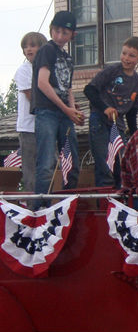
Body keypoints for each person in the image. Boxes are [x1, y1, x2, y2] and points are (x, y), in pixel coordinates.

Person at [31, 11, 83, 209]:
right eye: (57, 31)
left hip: (63, 114)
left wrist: (72, 110)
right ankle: (39, 210)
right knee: (46, 163)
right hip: (47, 112)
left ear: (72, 35)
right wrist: (65, 109)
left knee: (72, 162)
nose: (60, 36)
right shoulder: (47, 50)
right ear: (51, 30)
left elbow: (67, 88)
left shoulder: (68, 58)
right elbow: (43, 83)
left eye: (65, 33)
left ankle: (67, 206)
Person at [84, 36, 138, 188]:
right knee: (105, 163)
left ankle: (120, 200)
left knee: (122, 163)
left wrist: (134, 135)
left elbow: (132, 113)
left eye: (131, 55)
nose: (126, 58)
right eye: (124, 53)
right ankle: (104, 202)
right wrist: (105, 108)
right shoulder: (112, 71)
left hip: (118, 126)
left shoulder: (137, 82)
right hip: (99, 120)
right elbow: (89, 90)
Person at [14, 32, 47, 196]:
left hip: (47, 126)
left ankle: (48, 204)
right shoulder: (24, 70)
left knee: (49, 167)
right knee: (31, 170)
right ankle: (33, 208)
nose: (28, 49)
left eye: (33, 45)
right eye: (25, 46)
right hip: (29, 127)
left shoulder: (46, 69)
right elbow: (32, 97)